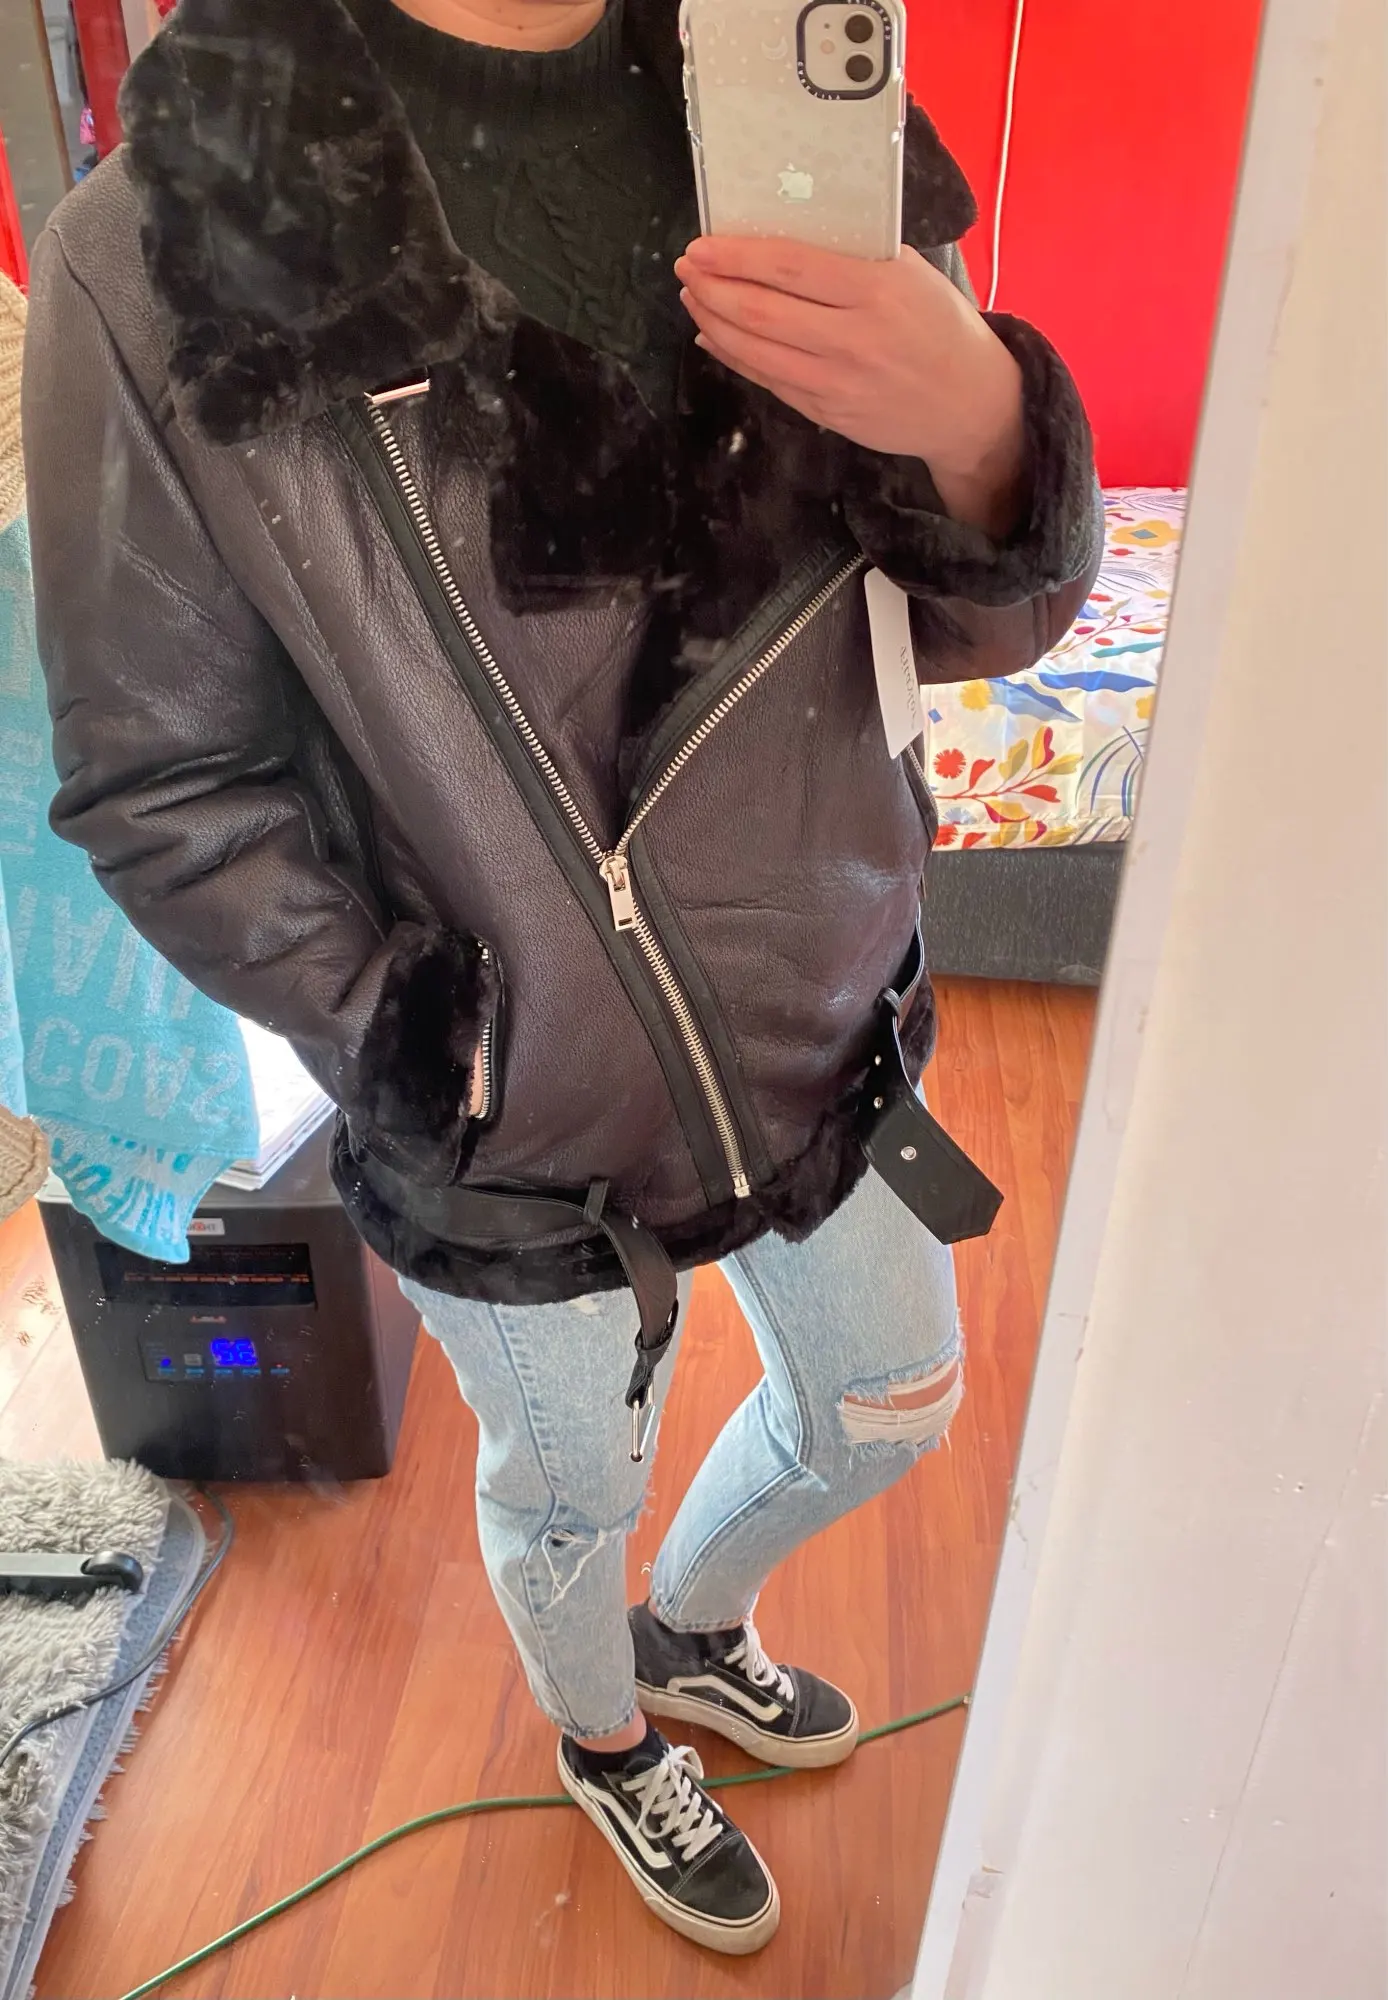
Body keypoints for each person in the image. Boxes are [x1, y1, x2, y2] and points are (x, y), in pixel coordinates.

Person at [22, 0, 1100, 1954]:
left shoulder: (794, 96)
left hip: (827, 1023)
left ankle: (690, 1631)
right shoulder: (164, 245)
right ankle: (607, 1737)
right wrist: (424, 1042)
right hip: (509, 1129)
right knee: (563, 1497)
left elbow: (966, 629)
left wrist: (980, 424)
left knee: (887, 1404)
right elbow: (164, 781)